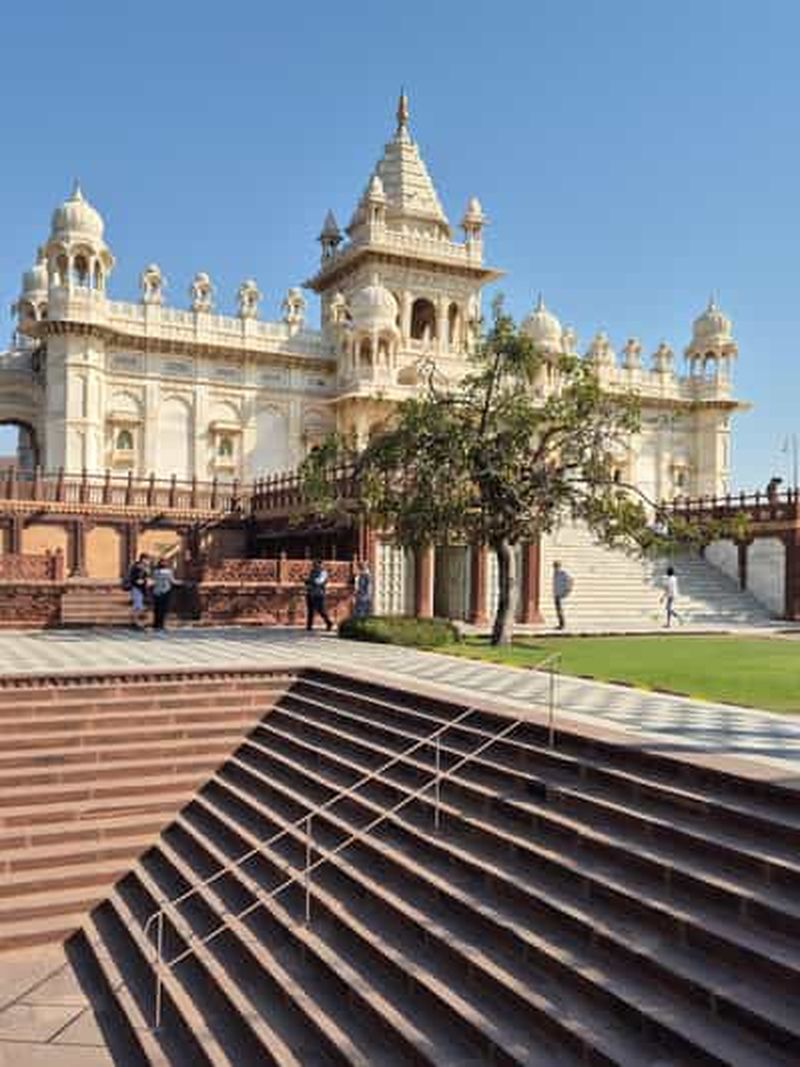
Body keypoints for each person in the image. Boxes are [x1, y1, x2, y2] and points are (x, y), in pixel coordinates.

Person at [306, 559, 333, 631]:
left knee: (321, 610)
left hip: (319, 593)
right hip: (310, 592)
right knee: (310, 610)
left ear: (320, 564)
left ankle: (329, 622)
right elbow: (309, 581)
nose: (314, 566)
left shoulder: (323, 572)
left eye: (316, 564)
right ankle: (309, 625)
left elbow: (319, 582)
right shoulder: (312, 572)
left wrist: (309, 581)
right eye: (314, 564)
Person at [126, 553, 151, 629]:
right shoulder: (137, 567)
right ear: (143, 559)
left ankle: (137, 623)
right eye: (147, 560)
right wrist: (145, 581)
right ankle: (136, 623)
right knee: (138, 606)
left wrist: (147, 579)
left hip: (142, 589)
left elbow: (145, 577)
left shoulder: (145, 568)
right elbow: (137, 580)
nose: (148, 561)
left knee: (138, 606)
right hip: (136, 588)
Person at [151, 557, 176, 632]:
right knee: (163, 609)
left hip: (156, 591)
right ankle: (161, 625)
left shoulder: (155, 571)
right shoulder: (168, 572)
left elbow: (153, 580)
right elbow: (172, 581)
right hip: (165, 591)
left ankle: (156, 624)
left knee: (157, 609)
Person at [552, 560, 573, 630]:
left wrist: (567, 590)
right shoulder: (555, 574)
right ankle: (560, 624)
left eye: (556, 566)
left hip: (561, 594)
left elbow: (570, 580)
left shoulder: (562, 573)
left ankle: (562, 624)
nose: (555, 567)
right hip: (556, 594)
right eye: (554, 566)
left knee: (560, 610)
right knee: (558, 610)